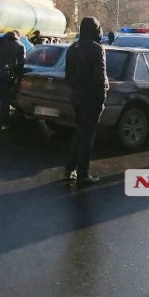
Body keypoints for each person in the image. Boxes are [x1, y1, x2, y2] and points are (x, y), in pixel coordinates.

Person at [64, 17, 108, 186]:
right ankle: (83, 174)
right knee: (87, 136)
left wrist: (76, 88)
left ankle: (70, 168)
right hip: (92, 98)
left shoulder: (72, 48)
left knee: (80, 132)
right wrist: (102, 95)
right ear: (95, 30)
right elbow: (100, 77)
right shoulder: (97, 49)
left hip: (76, 96)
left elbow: (68, 76)